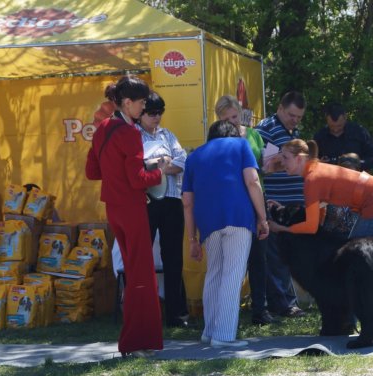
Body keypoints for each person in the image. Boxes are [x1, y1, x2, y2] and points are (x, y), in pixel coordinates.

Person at [85, 75, 168, 356]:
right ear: (128, 102)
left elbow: (92, 172)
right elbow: (137, 180)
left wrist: (124, 170)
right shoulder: (130, 133)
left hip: (113, 208)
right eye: (142, 102)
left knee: (134, 273)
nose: (144, 107)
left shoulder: (102, 128)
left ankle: (134, 339)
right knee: (142, 275)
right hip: (132, 207)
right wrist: (159, 171)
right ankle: (138, 341)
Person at [182, 120, 269, 348]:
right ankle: (223, 335)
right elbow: (253, 181)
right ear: (233, 134)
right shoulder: (241, 145)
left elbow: (187, 203)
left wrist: (192, 239)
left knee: (215, 273)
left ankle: (210, 331)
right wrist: (262, 218)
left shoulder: (194, 156)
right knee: (232, 274)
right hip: (238, 216)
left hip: (207, 221)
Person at [214, 95, 276, 326]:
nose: (234, 121)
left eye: (236, 116)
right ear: (219, 118)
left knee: (259, 256)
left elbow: (262, 166)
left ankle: (260, 309)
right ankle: (228, 311)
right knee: (232, 259)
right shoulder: (218, 139)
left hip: (257, 196)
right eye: (228, 118)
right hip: (233, 200)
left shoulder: (253, 135)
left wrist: (271, 163)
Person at [268, 140, 373, 238]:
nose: (282, 162)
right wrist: (284, 209)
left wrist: (281, 228)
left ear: (298, 159)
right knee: (356, 256)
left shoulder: (312, 180)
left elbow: (311, 227)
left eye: (285, 157)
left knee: (356, 258)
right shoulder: (316, 170)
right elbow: (316, 214)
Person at [137, 91, 190, 327]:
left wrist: (158, 168)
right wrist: (161, 164)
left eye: (160, 112)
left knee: (174, 257)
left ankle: (176, 314)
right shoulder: (133, 135)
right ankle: (144, 313)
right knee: (142, 257)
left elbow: (182, 161)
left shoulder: (167, 134)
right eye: (151, 113)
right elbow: (137, 167)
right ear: (141, 113)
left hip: (171, 199)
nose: (156, 117)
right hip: (146, 201)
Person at [255, 91, 307, 318]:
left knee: (287, 254)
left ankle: (287, 300)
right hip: (275, 201)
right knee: (275, 256)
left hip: (293, 202)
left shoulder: (293, 132)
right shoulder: (266, 129)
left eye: (299, 117)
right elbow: (259, 166)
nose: (295, 120)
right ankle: (283, 303)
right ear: (280, 109)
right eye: (291, 115)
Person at [313, 102, 373, 171]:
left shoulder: (359, 132)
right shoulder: (320, 136)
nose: (335, 129)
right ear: (326, 119)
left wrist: (357, 164)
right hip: (328, 175)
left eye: (339, 126)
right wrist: (319, 163)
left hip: (355, 175)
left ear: (345, 117)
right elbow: (312, 161)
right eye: (332, 126)